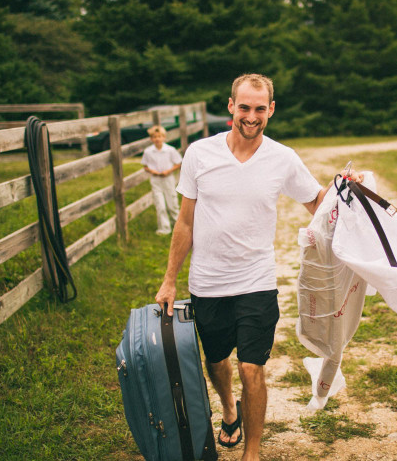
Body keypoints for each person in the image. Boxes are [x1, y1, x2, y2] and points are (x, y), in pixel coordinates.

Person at [155, 74, 355, 461]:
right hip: (208, 282)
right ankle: (230, 410)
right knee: (217, 361)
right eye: (244, 107)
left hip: (257, 280)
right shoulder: (199, 154)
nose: (251, 116)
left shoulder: (282, 157)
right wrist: (169, 280)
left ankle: (253, 451)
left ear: (271, 110)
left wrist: (346, 189)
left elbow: (318, 203)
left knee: (252, 367)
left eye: (259, 108)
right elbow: (184, 221)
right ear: (230, 106)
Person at [142, 125, 182, 235]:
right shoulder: (148, 152)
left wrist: (169, 171)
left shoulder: (170, 150)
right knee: (160, 205)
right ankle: (164, 228)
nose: (157, 139)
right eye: (154, 137)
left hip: (168, 179)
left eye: (159, 136)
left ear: (164, 137)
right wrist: (152, 171)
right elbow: (145, 166)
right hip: (156, 180)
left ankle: (177, 226)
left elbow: (178, 163)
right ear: (151, 139)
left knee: (172, 203)